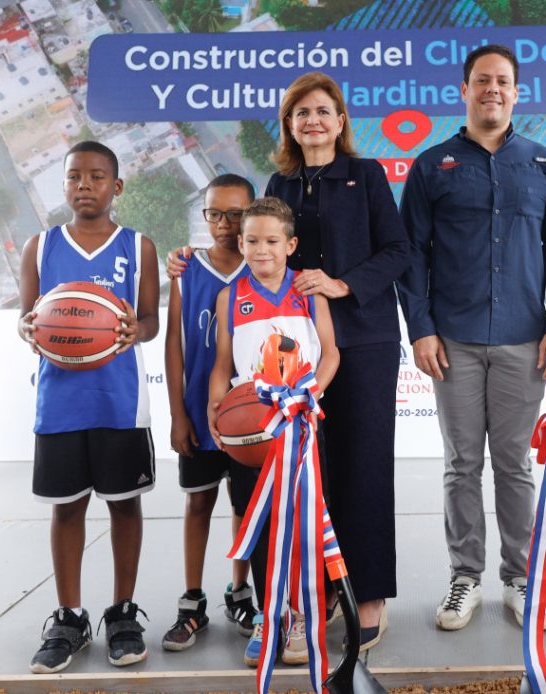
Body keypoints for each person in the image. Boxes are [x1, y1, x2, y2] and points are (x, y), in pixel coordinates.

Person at [170, 71, 407, 651]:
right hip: (293, 359)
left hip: (364, 340)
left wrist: (343, 284)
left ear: (341, 120)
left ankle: (369, 593)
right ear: (289, 125)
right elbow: (253, 243)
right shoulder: (280, 180)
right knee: (311, 476)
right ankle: (323, 588)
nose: (314, 121)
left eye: (324, 111)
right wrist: (187, 256)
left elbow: (399, 251)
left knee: (364, 467)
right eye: (302, 114)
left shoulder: (368, 174)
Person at [398, 44, 546, 631]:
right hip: (451, 341)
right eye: (482, 81)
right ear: (465, 90)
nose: (492, 90)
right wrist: (421, 330)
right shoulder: (432, 167)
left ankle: (522, 577)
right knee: (459, 465)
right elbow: (411, 259)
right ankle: (465, 577)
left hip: (525, 340)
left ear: (516, 93)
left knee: (514, 465)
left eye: (502, 81)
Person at [18, 141, 160, 673]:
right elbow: (27, 319)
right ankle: (69, 617)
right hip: (59, 402)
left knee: (124, 504)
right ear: (63, 186)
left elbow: (151, 320)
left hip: (119, 401)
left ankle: (122, 613)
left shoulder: (137, 246)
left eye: (97, 177)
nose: (84, 185)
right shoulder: (40, 245)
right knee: (68, 507)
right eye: (74, 176)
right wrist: (25, 326)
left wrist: (133, 330)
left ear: (116, 187)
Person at [207, 196, 340, 666]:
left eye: (271, 241)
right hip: (252, 434)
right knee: (256, 519)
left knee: (305, 522)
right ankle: (270, 614)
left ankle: (306, 614)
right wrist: (214, 405)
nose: (262, 250)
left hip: (301, 424)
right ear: (239, 243)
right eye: (252, 241)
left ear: (291, 244)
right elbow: (223, 366)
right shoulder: (230, 297)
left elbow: (330, 354)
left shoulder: (309, 291)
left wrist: (310, 395)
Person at [162, 174, 265, 655]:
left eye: (237, 214)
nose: (225, 225)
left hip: (249, 419)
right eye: (214, 213)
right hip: (200, 416)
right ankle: (192, 599)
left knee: (244, 507)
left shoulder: (265, 269)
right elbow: (175, 345)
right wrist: (178, 413)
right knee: (199, 502)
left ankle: (239, 591)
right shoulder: (188, 270)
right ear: (203, 214)